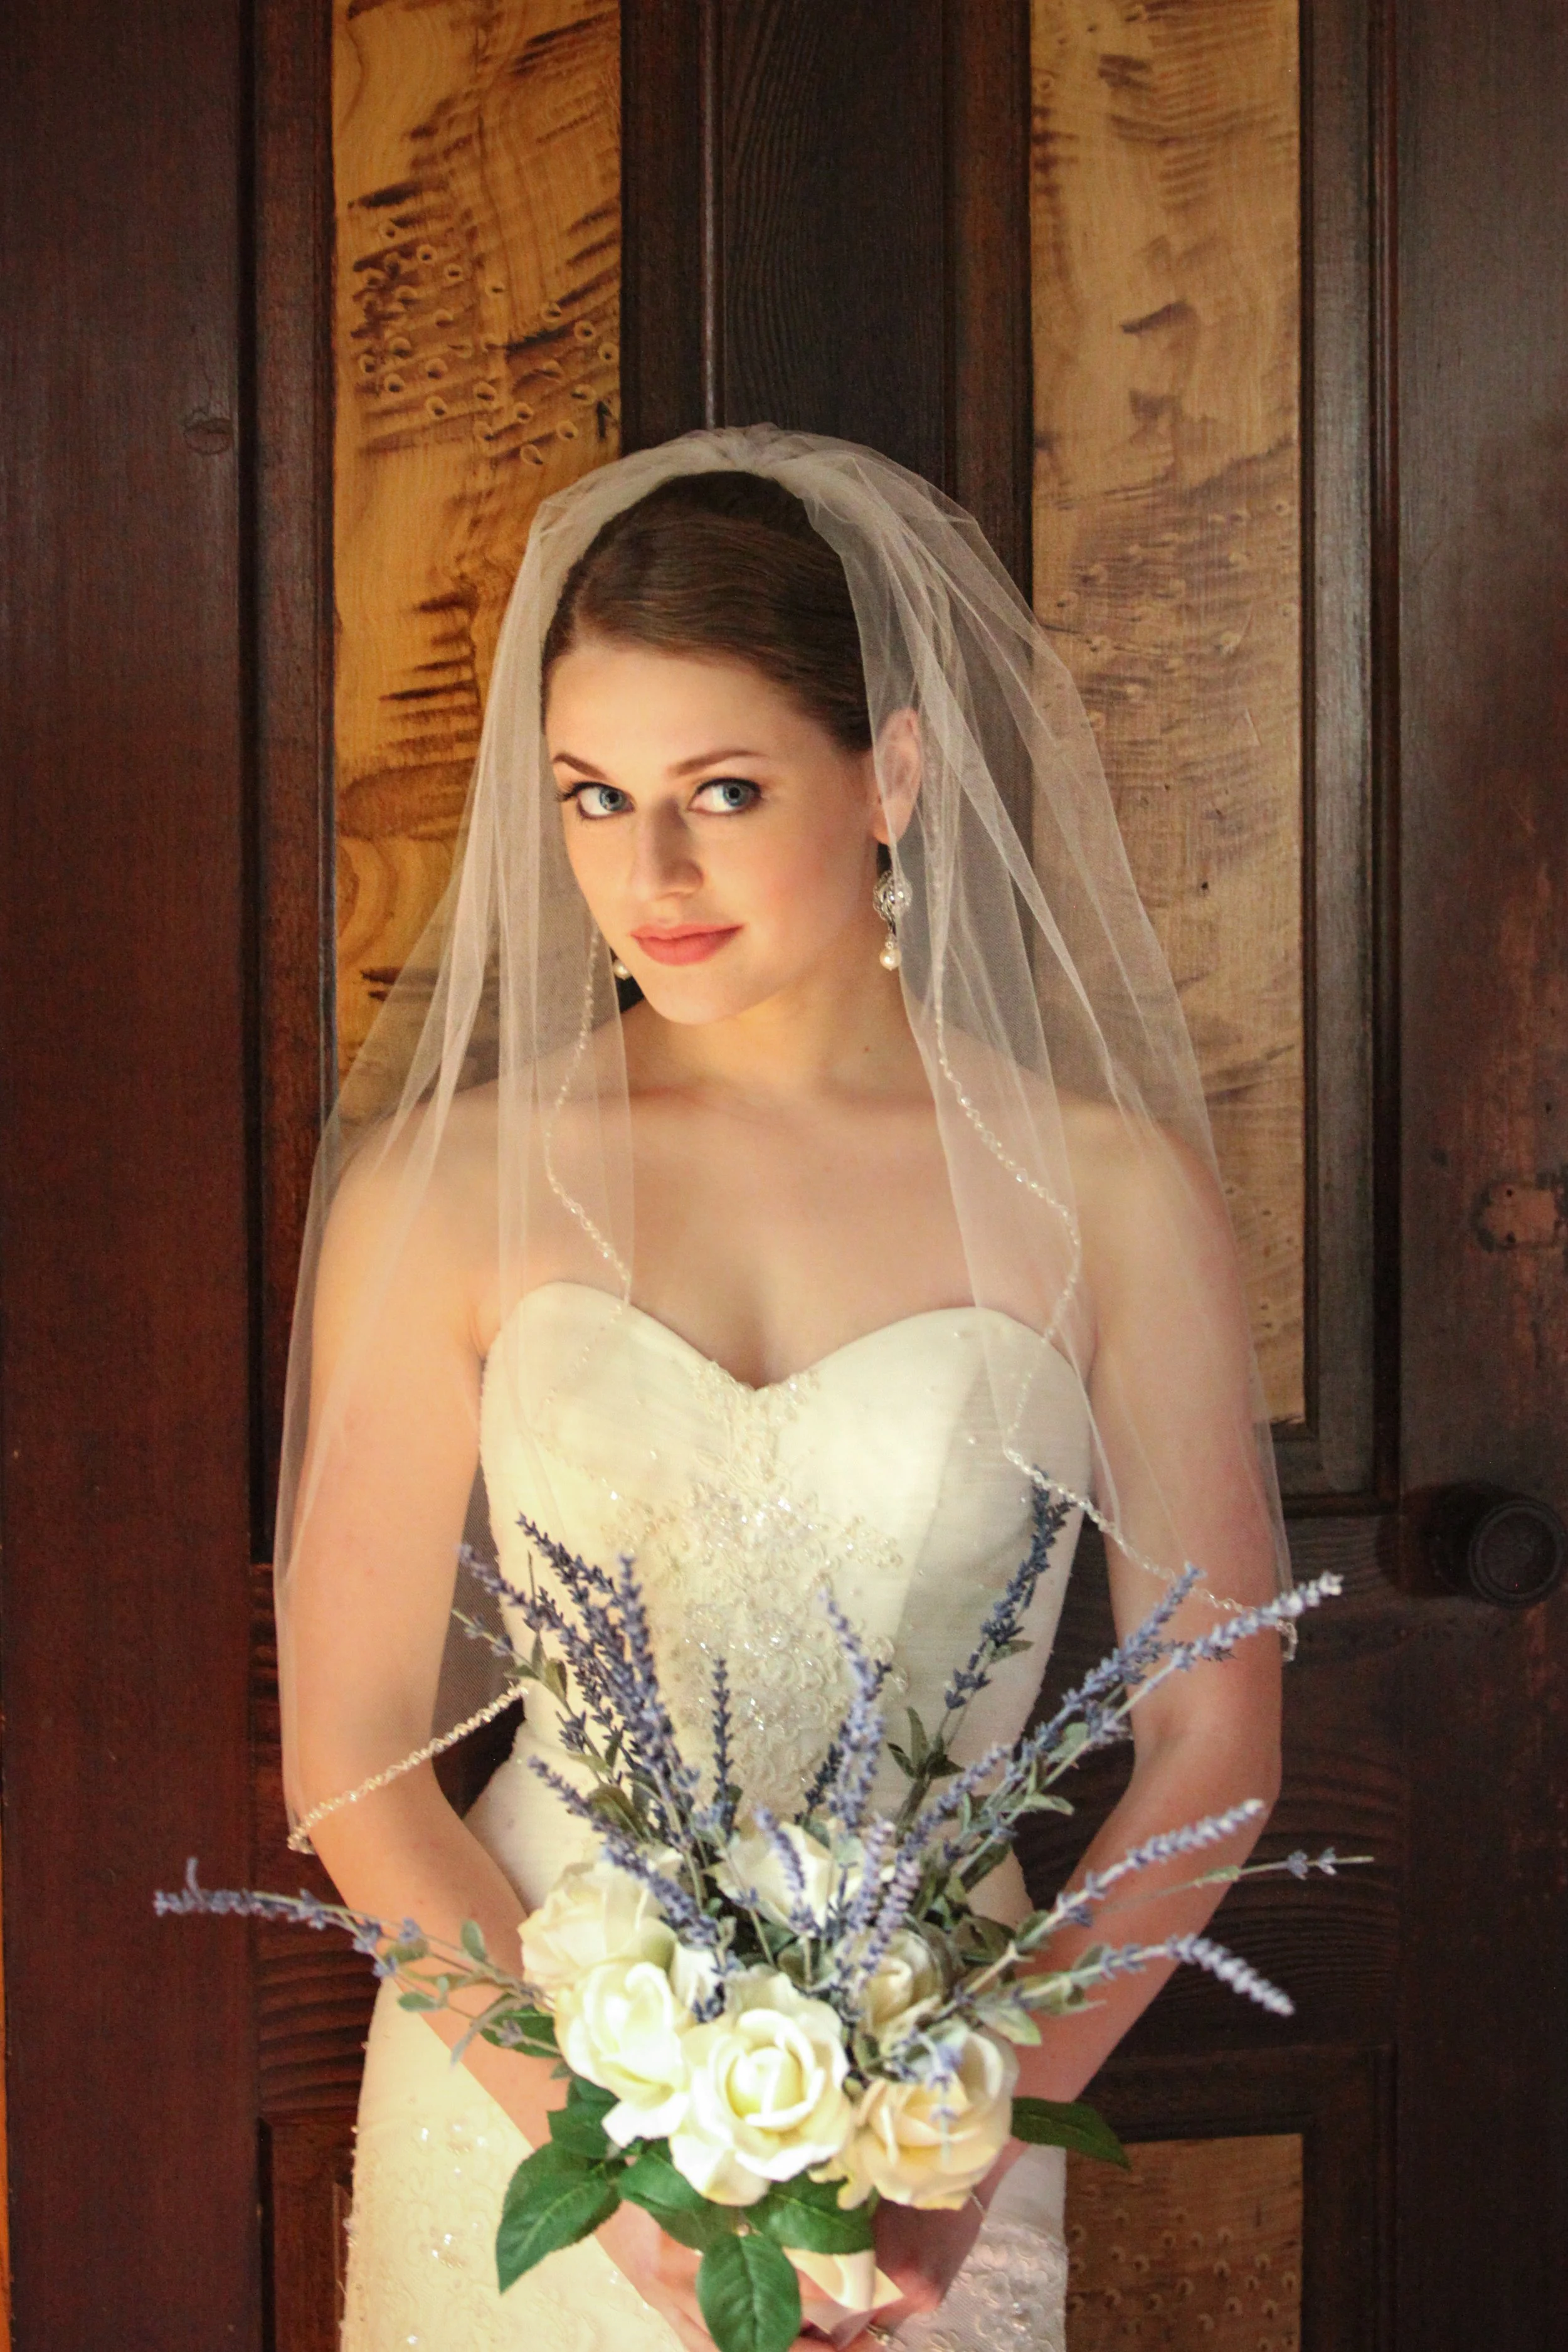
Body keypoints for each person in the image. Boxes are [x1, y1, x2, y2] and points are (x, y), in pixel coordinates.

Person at [276, 429, 1286, 2351]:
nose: (645, 872)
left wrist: (962, 2128)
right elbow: (348, 1750)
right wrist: (602, 2140)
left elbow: (1214, 1750)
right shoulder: (443, 1188)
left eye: (721, 791)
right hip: (521, 2093)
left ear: (890, 771)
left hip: (933, 2101)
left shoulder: (1101, 1193)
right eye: (591, 797)